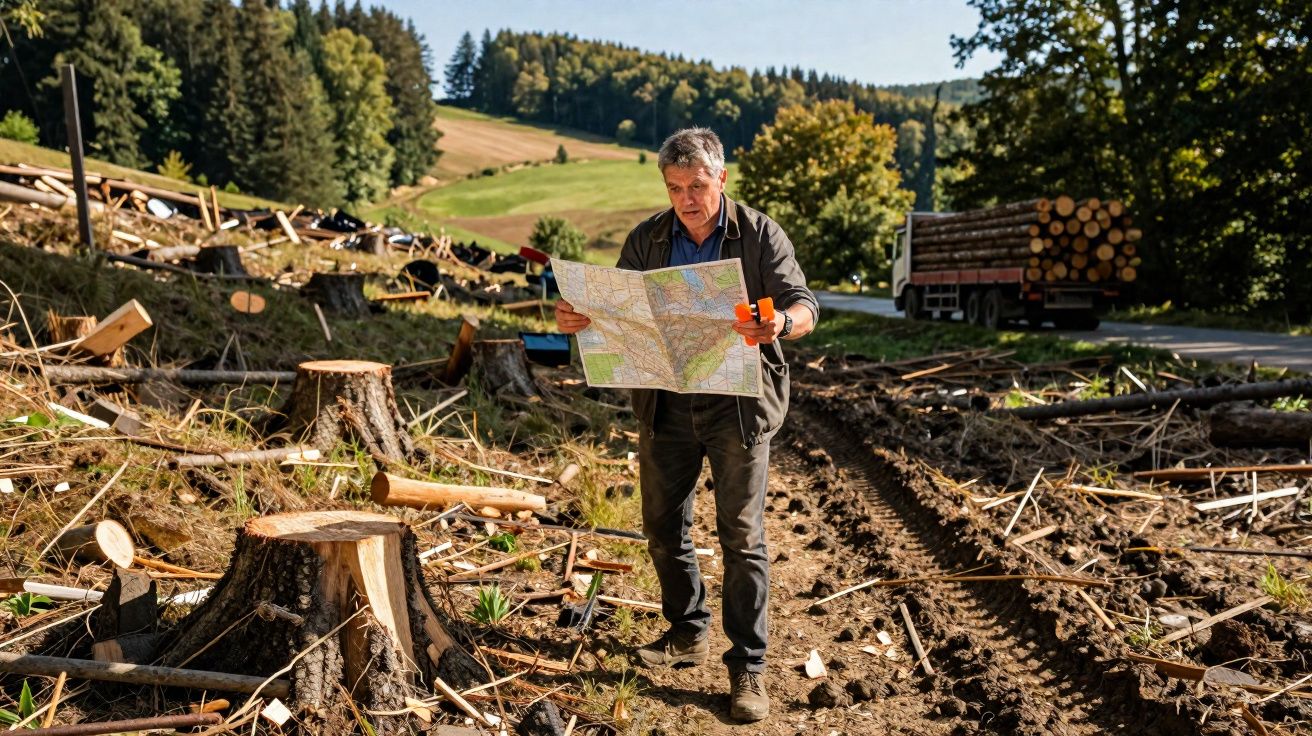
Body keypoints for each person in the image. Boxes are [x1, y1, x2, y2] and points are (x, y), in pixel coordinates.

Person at [555, 127, 817, 722]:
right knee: (661, 525)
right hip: (666, 403)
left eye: (697, 186)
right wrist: (582, 319)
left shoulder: (759, 234)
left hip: (737, 406)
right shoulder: (647, 238)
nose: (687, 200)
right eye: (675, 189)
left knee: (742, 538)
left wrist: (779, 325)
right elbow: (619, 307)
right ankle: (686, 630)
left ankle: (748, 664)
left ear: (721, 178)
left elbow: (804, 304)